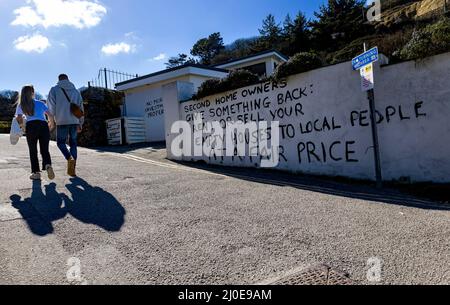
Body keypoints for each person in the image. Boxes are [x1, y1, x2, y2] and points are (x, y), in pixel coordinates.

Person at [15, 85, 55, 181]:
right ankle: (48, 165)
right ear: (32, 92)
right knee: (44, 149)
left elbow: (19, 117)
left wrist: (22, 127)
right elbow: (50, 114)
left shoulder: (22, 105)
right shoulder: (40, 103)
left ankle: (36, 173)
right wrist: (51, 124)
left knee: (33, 150)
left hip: (31, 126)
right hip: (43, 125)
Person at [47, 74, 84, 177]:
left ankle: (69, 158)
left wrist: (51, 121)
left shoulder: (54, 90)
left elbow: (51, 107)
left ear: (58, 80)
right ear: (68, 79)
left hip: (61, 121)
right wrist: (80, 122)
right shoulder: (76, 91)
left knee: (60, 143)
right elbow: (81, 108)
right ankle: (73, 168)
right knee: (73, 144)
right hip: (74, 121)